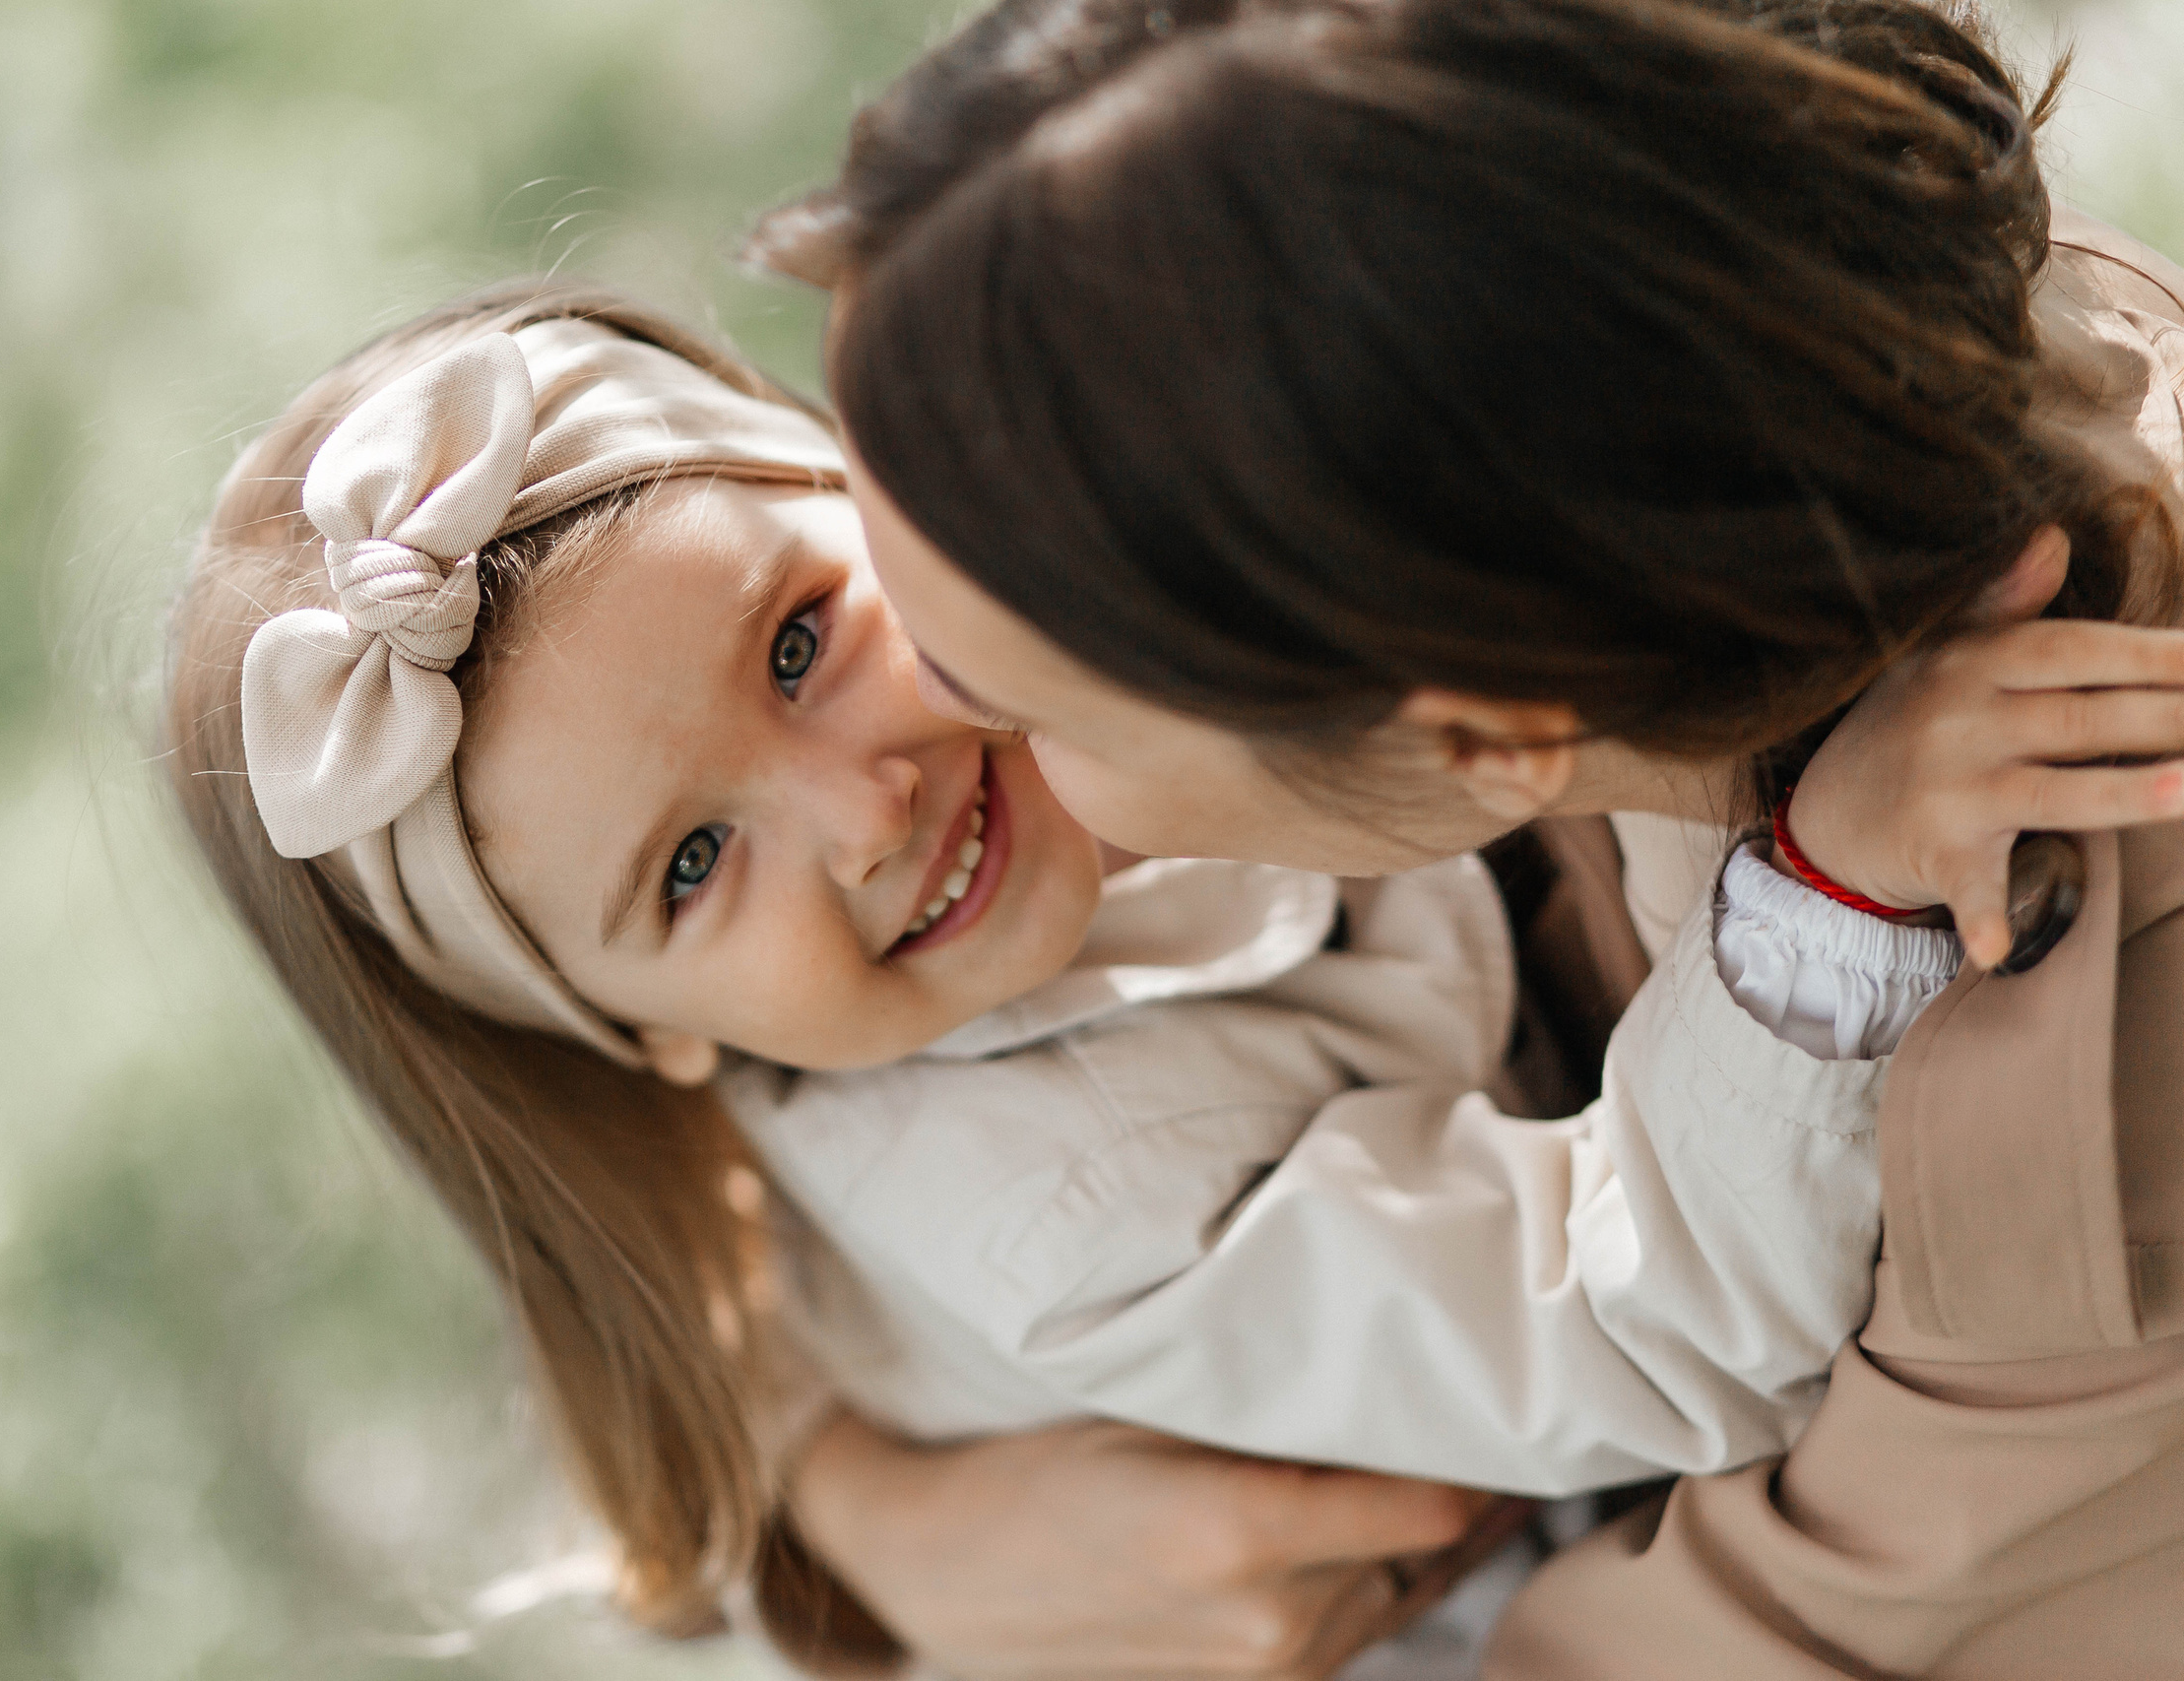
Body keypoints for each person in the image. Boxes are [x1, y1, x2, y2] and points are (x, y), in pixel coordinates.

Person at [747, 0, 2184, 1673]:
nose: (913, 720)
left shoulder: (2062, 1088)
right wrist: (847, 1507)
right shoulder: (1729, 334)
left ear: (1488, 735)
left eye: (1021, 695)